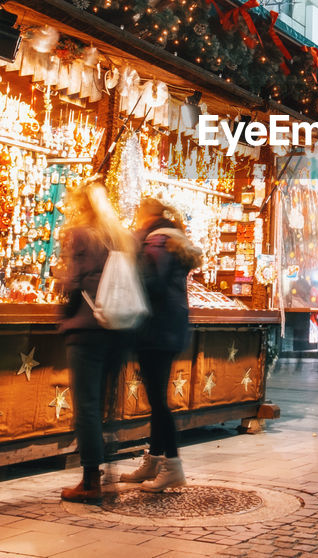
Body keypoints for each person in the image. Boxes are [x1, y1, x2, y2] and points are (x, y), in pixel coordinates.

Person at [57, 182, 134, 503]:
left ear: (84, 205)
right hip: (117, 328)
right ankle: (109, 475)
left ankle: (90, 480)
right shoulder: (121, 238)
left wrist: (62, 292)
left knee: (86, 406)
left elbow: (73, 280)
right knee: (107, 405)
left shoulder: (81, 234)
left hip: (87, 328)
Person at [119, 197, 201, 491]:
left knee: (158, 401)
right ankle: (154, 461)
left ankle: (173, 466)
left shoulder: (156, 243)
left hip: (156, 330)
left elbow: (150, 283)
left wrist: (131, 259)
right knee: (157, 400)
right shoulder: (171, 240)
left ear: (146, 216)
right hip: (166, 329)